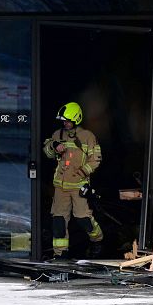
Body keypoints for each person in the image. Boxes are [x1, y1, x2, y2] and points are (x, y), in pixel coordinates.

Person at [43, 102, 103, 259]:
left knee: (83, 219)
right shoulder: (58, 134)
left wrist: (83, 172)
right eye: (63, 121)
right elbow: (47, 152)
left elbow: (96, 159)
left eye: (68, 120)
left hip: (79, 186)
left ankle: (97, 240)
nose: (65, 123)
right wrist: (53, 146)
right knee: (58, 221)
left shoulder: (88, 136)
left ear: (76, 119)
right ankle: (60, 254)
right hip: (60, 187)